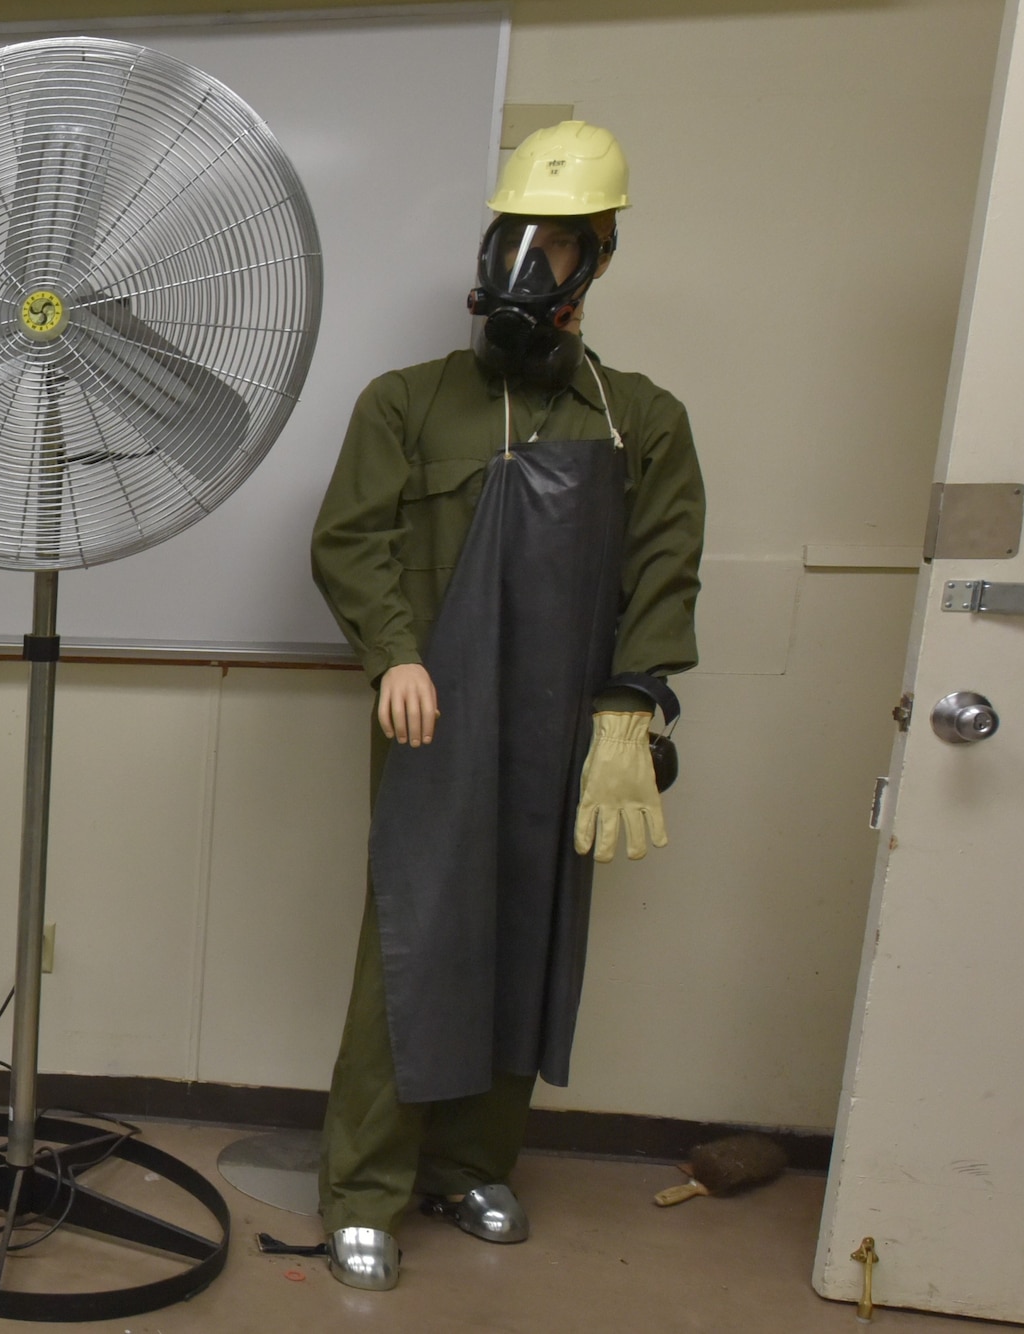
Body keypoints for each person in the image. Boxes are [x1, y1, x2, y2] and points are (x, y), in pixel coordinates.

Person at [308, 120, 705, 1291]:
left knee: (527, 929)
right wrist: (393, 656)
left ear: (595, 262)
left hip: (564, 718)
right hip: (431, 712)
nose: (528, 271)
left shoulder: (639, 418)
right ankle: (366, 1183)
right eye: (513, 243)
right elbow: (350, 540)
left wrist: (633, 704)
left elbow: (664, 564)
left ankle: (472, 1160)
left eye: (558, 248)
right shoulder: (407, 403)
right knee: (415, 937)